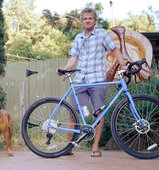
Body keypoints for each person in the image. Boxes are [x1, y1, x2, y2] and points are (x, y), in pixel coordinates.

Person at [57, 8, 127, 157]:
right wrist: (65, 68)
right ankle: (68, 147)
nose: (87, 20)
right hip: (80, 80)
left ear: (95, 21)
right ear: (82, 21)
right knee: (73, 114)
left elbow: (115, 50)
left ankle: (94, 147)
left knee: (99, 113)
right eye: (85, 18)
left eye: (90, 18)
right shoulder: (78, 38)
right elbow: (73, 58)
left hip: (97, 80)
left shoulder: (102, 34)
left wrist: (123, 65)